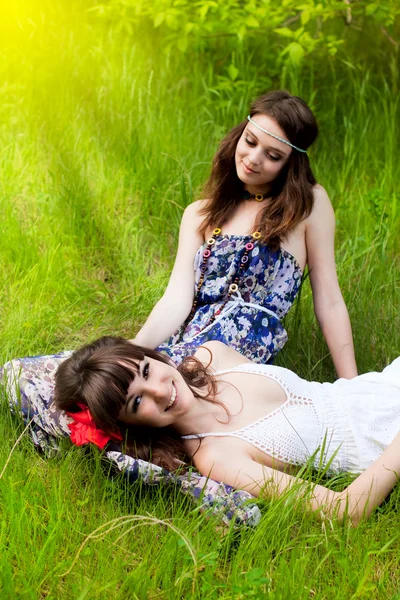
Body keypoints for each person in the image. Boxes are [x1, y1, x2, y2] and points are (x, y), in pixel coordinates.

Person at [55, 336, 400, 525]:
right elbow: (346, 510)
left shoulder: (211, 356)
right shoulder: (216, 456)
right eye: (135, 403)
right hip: (386, 440)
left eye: (146, 370)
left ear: (152, 356)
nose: (160, 391)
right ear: (129, 426)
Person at [133, 90, 357, 378]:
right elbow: (177, 299)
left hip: (236, 355)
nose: (253, 159)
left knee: (168, 388)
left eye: (273, 156)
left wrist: (353, 386)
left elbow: (330, 302)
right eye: (250, 141)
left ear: (290, 164)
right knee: (85, 375)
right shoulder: (200, 214)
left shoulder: (308, 206)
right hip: (184, 345)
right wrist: (134, 348)